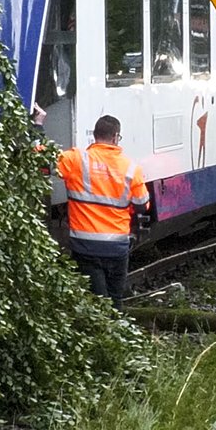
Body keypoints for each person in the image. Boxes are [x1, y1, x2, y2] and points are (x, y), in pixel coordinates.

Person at [56, 115, 149, 302]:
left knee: (97, 302)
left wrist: (38, 126)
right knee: (115, 299)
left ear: (95, 136)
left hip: (85, 246)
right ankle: (116, 328)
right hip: (117, 248)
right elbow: (142, 205)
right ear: (115, 137)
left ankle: (102, 329)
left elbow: (40, 159)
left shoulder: (76, 159)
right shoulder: (131, 168)